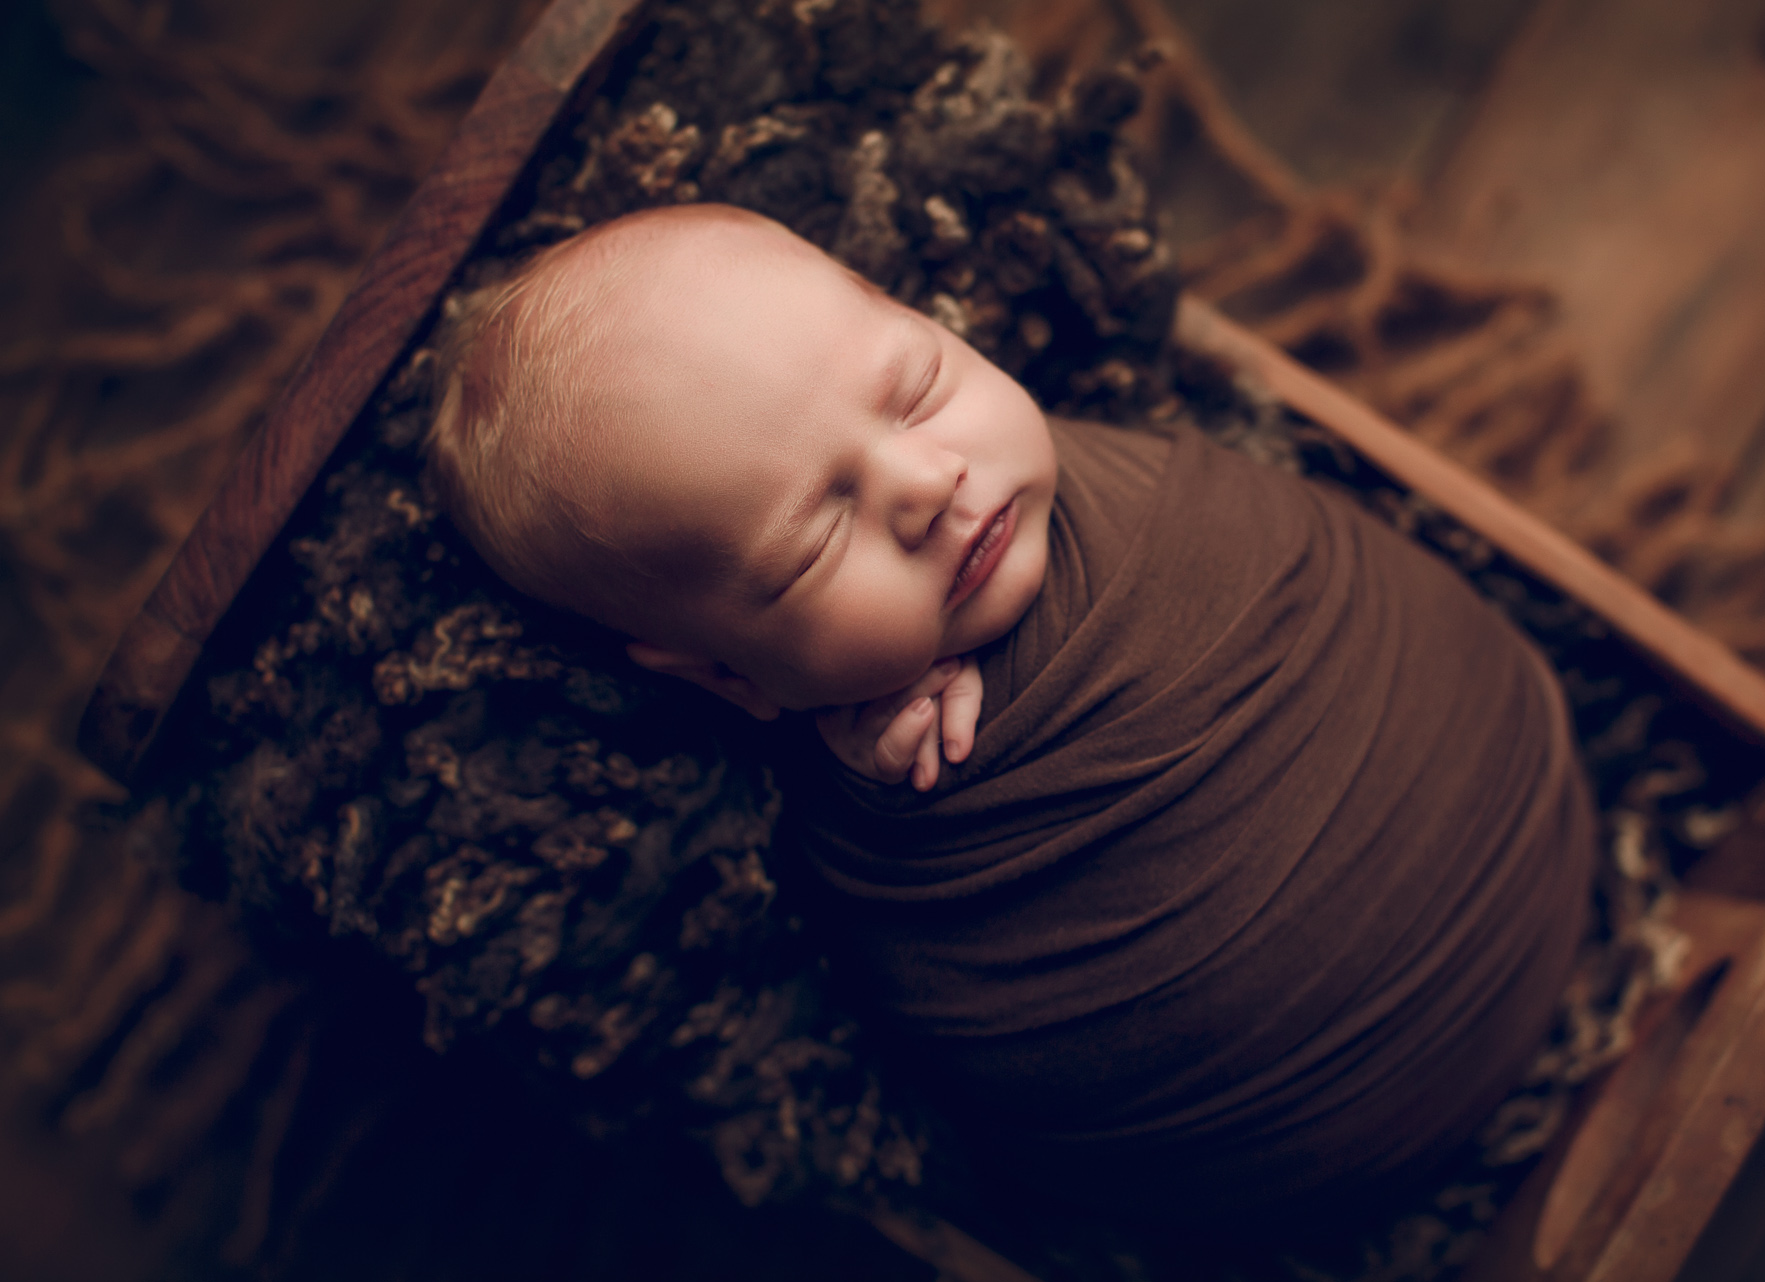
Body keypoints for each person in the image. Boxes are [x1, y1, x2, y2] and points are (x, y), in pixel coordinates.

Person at [428, 203, 1596, 1226]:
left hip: (1505, 787)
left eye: (916, 385)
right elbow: (893, 953)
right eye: (818, 535)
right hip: (1307, 1133)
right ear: (725, 677)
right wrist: (878, 791)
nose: (926, 483)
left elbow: (1275, 530)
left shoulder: (1114, 486)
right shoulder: (869, 788)